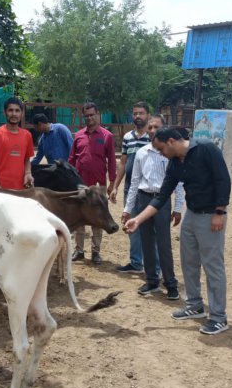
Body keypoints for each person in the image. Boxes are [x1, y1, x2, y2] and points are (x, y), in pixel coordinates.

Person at [125, 127, 232, 335]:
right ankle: (194, 305)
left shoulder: (206, 149)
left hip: (211, 214)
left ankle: (219, 317)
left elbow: (223, 180)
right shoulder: (175, 163)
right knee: (189, 261)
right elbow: (162, 196)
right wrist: (137, 219)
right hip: (191, 214)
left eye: (162, 149)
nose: (161, 154)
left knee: (213, 265)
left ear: (172, 141)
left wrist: (220, 211)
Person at [123, 115, 184, 299]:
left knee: (163, 244)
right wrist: (128, 208)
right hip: (143, 199)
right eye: (150, 127)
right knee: (146, 242)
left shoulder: (170, 153)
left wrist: (178, 207)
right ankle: (151, 280)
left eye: (156, 127)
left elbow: (179, 183)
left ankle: (171, 283)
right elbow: (134, 182)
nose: (151, 130)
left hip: (162, 201)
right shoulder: (142, 153)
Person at [68, 102, 117, 265]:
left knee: (98, 218)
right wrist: (70, 178)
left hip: (98, 185)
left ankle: (96, 252)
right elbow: (72, 159)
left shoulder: (107, 136)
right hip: (80, 185)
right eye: (86, 115)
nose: (89, 118)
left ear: (98, 114)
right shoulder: (79, 135)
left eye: (92, 114)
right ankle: (79, 250)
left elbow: (111, 161)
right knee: (79, 217)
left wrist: (112, 183)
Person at [111, 102, 152, 274]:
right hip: (130, 189)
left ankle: (153, 266)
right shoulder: (128, 137)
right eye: (135, 113)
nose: (137, 116)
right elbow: (122, 162)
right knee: (131, 225)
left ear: (148, 115)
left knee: (150, 228)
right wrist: (115, 186)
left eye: (141, 113)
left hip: (149, 190)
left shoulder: (153, 136)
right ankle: (136, 263)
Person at [0, 97, 35, 189]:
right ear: (5, 112)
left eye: (17, 110)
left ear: (22, 113)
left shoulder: (27, 135)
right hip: (0, 189)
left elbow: (27, 159)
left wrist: (28, 173)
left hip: (21, 189)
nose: (14, 114)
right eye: (10, 110)